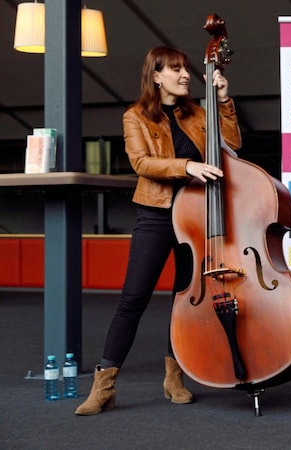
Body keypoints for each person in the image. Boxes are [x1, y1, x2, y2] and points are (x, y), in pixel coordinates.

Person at [75, 46, 242, 415]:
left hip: (197, 216)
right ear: (156, 76)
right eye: (176, 69)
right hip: (156, 214)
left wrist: (224, 100)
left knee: (184, 299)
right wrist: (187, 167)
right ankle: (104, 385)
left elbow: (232, 143)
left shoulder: (199, 113)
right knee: (133, 298)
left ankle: (174, 377)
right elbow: (141, 162)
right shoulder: (134, 117)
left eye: (186, 68)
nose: (185, 75)